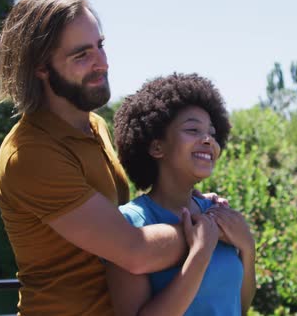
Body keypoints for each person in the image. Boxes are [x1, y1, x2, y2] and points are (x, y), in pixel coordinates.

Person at [0, 0, 225, 315]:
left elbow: (125, 214)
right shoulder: (30, 154)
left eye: (100, 46)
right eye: (82, 55)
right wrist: (210, 228)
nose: (102, 63)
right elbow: (134, 251)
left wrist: (194, 203)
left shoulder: (96, 125)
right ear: (41, 68)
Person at [108, 73, 256, 315]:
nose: (208, 140)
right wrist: (200, 253)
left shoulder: (217, 213)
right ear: (157, 147)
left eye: (212, 132)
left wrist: (248, 249)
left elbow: (238, 306)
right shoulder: (130, 224)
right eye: (193, 130)